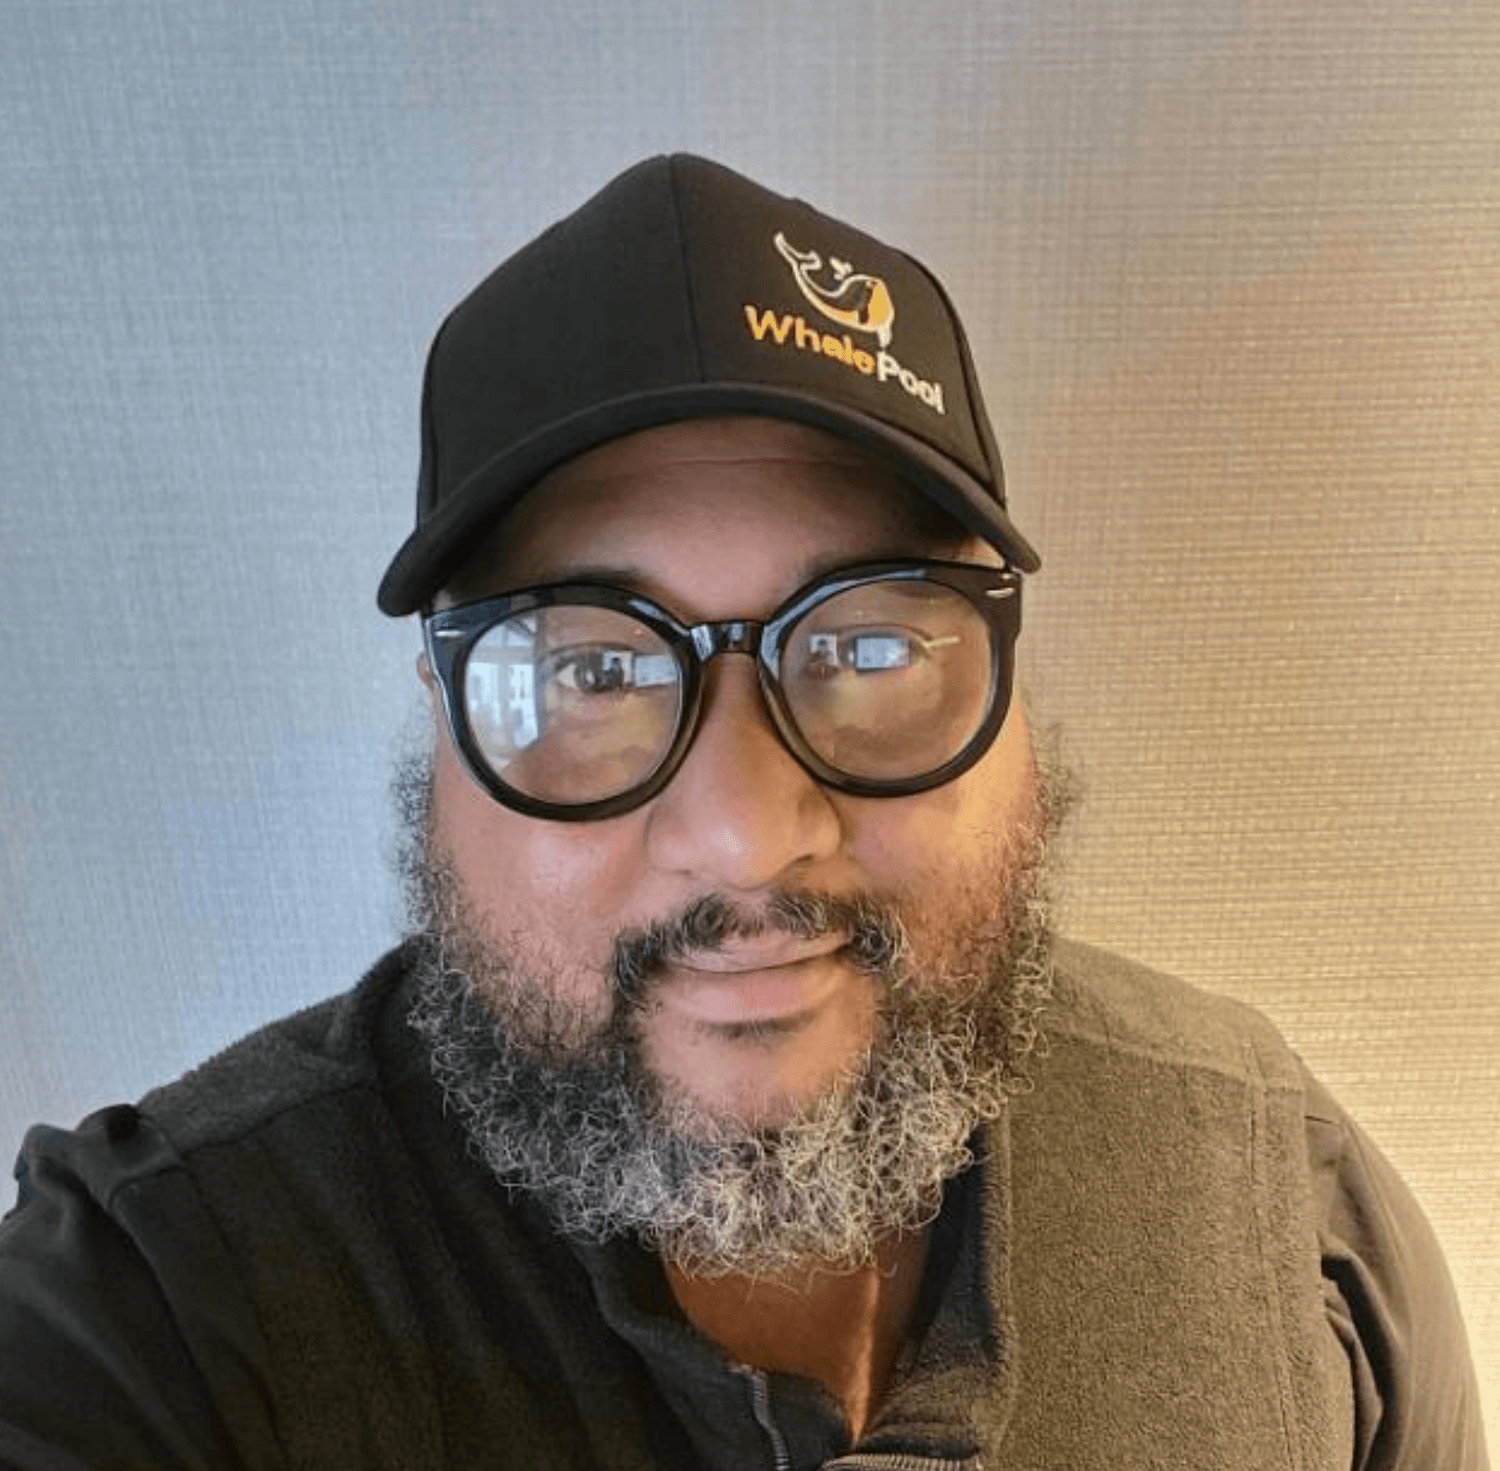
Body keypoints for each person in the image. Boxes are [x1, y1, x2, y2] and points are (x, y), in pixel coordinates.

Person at [0, 154, 1487, 1470]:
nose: (745, 834)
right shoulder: (156, 1306)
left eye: (871, 645)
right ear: (439, 736)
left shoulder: (1283, 1212)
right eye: (590, 668)